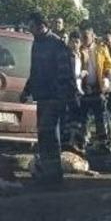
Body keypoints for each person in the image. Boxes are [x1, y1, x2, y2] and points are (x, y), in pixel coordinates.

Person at [20, 12, 77, 185]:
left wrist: (61, 97)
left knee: (50, 135)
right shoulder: (37, 44)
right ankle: (47, 172)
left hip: (54, 98)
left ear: (40, 26)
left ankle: (54, 175)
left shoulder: (56, 44)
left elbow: (65, 73)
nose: (30, 30)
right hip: (42, 97)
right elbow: (35, 71)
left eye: (31, 26)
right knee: (44, 135)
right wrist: (26, 90)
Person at [76, 28, 111, 152]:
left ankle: (104, 141)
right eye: (83, 37)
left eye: (86, 37)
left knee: (101, 115)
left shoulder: (101, 49)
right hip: (84, 87)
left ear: (93, 37)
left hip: (98, 87)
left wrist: (107, 76)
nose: (84, 39)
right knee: (83, 116)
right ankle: (83, 141)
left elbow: (109, 64)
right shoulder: (79, 50)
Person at [62, 30, 84, 152]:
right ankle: (68, 142)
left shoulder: (79, 55)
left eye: (77, 42)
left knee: (76, 120)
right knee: (69, 119)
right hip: (70, 91)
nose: (74, 44)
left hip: (78, 91)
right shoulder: (67, 56)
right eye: (72, 41)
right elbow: (69, 75)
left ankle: (74, 142)